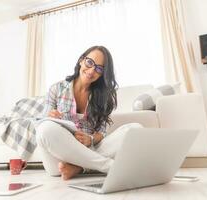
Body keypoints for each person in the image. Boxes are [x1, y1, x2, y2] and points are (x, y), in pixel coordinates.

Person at [36, 46, 142, 180]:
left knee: (135, 129)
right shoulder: (56, 89)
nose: (92, 71)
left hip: (88, 150)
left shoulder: (104, 96)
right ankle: (110, 166)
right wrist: (50, 116)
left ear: (102, 74)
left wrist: (90, 139)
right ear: (81, 60)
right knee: (45, 129)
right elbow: (42, 121)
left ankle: (79, 168)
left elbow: (102, 132)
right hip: (58, 159)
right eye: (90, 63)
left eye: (99, 69)